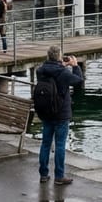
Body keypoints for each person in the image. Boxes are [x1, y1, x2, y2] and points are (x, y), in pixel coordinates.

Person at [36, 46, 83, 185]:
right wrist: (75, 66)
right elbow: (78, 81)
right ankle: (59, 176)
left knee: (45, 144)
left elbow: (52, 70)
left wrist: (60, 64)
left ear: (48, 56)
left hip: (45, 112)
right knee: (60, 145)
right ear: (59, 57)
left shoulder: (41, 70)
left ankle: (43, 174)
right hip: (61, 113)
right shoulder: (63, 73)